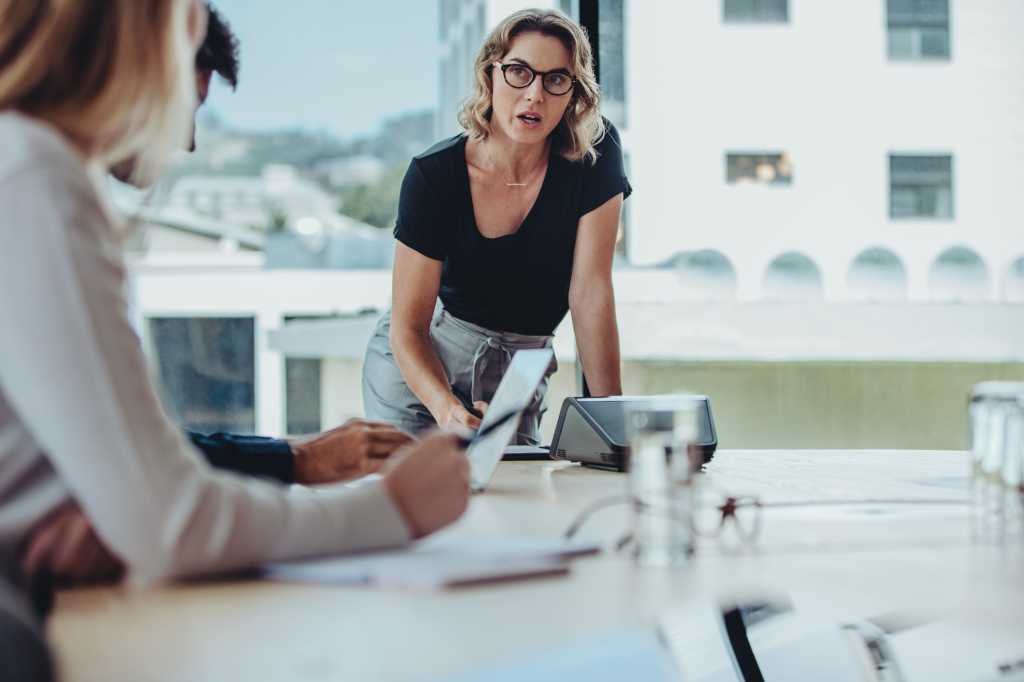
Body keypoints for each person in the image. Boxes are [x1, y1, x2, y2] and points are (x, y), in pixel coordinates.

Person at [0, 0, 470, 599]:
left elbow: (132, 504)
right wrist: (393, 511)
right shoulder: (34, 181)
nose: (188, 141)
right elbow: (170, 524)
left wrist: (87, 509)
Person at [362, 8, 631, 446]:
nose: (535, 95)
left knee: (509, 503)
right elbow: (407, 327)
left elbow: (590, 292)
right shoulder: (434, 176)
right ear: (490, 76)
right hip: (423, 366)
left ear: (573, 93)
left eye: (556, 79)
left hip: (521, 367)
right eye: (519, 72)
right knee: (417, 500)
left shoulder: (595, 154)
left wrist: (616, 430)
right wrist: (447, 408)